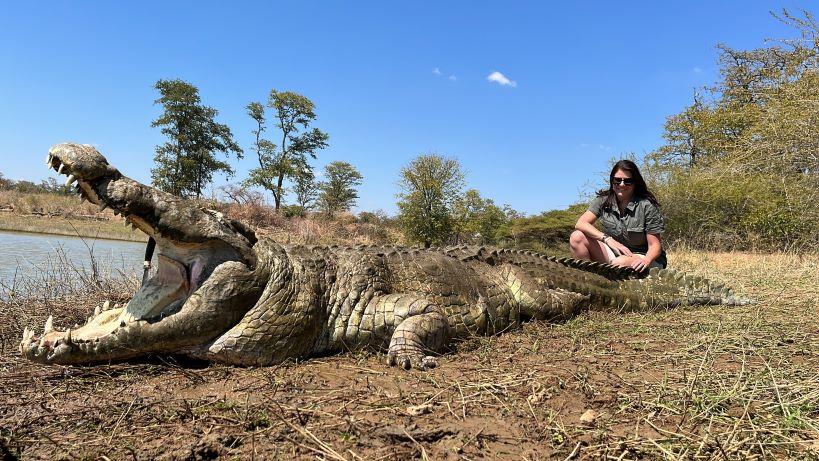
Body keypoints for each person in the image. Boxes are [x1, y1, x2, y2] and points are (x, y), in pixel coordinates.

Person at [569, 160, 667, 271]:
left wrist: (646, 260)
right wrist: (608, 239)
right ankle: (589, 280)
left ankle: (614, 280)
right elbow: (581, 223)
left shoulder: (647, 205)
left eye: (628, 181)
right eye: (617, 180)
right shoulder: (603, 200)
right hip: (615, 255)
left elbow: (655, 246)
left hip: (645, 257)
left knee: (620, 263)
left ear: (635, 183)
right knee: (577, 237)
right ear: (612, 181)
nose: (622, 184)